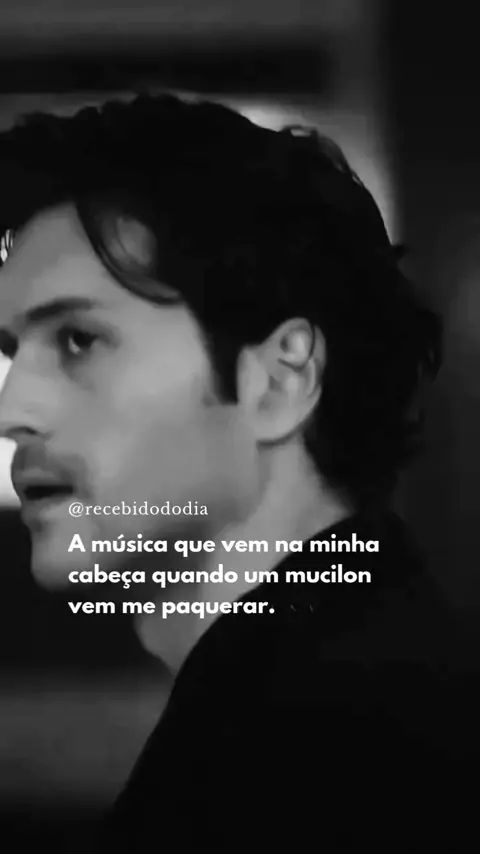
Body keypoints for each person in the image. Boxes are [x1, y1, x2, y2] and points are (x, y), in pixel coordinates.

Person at [0, 93, 475, 850]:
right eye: (11, 351)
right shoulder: (336, 683)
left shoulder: (331, 759)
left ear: (281, 379)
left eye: (79, 340)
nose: (13, 409)